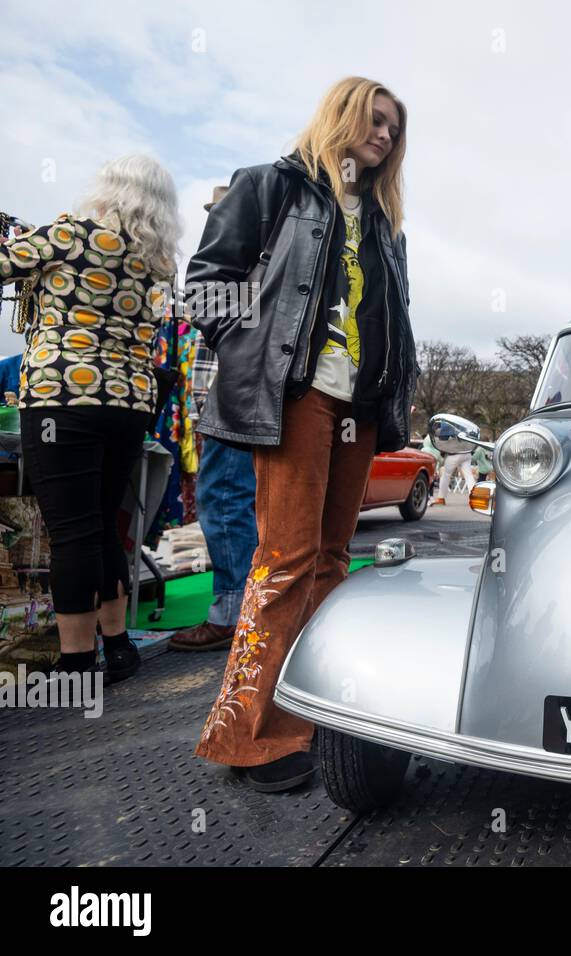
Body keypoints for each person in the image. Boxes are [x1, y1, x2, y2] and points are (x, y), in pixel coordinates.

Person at [187, 76, 419, 792]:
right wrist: (257, 351)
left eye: (393, 128)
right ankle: (247, 736)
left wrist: (390, 396)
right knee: (285, 559)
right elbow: (203, 287)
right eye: (374, 119)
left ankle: (308, 712)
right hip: (297, 393)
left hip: (360, 402)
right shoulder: (268, 186)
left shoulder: (385, 225)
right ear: (342, 116)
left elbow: (393, 316)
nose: (382, 135)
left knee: (330, 562)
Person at [0, 155, 182, 682]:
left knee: (72, 534)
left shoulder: (71, 233)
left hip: (63, 396)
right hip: (129, 405)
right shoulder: (158, 259)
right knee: (104, 527)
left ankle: (77, 665)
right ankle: (118, 647)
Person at [169, 185, 258, 652]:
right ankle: (247, 610)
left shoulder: (240, 264)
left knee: (224, 500)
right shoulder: (241, 262)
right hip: (233, 403)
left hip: (234, 403)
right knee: (235, 501)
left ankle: (233, 613)